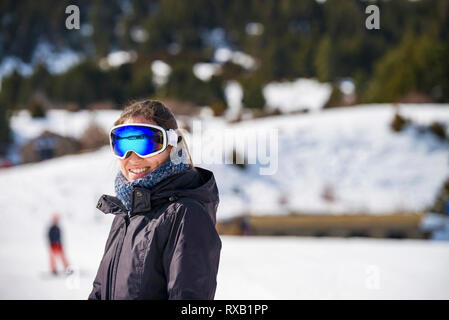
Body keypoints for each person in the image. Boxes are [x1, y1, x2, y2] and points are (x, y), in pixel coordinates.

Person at [88, 100, 221, 300]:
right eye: (123, 143)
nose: (132, 156)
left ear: (171, 145)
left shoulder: (186, 215)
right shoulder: (125, 215)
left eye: (145, 143)